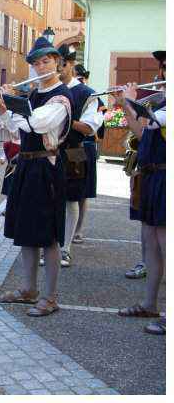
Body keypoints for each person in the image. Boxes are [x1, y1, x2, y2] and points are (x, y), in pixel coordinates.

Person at [0, 37, 72, 317]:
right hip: (27, 166)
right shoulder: (33, 95)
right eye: (36, 63)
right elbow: (15, 131)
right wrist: (6, 108)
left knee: (48, 235)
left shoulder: (62, 97)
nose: (41, 66)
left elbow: (37, 125)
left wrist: (7, 106)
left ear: (58, 63)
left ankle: (50, 297)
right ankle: (28, 289)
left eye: (46, 61)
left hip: (46, 169)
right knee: (26, 231)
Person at [116, 50, 166, 335]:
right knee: (151, 245)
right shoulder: (161, 101)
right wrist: (125, 105)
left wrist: (132, 99)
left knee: (165, 245)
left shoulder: (163, 106)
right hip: (151, 177)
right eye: (165, 68)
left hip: (165, 176)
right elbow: (140, 130)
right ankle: (149, 303)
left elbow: (149, 121)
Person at [44, 45, 103, 268]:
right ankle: (49, 245)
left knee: (71, 200)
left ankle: (65, 249)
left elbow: (89, 128)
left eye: (60, 65)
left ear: (69, 65)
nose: (57, 70)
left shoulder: (87, 94)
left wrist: (64, 120)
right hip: (48, 151)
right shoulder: (48, 88)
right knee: (49, 199)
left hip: (75, 150)